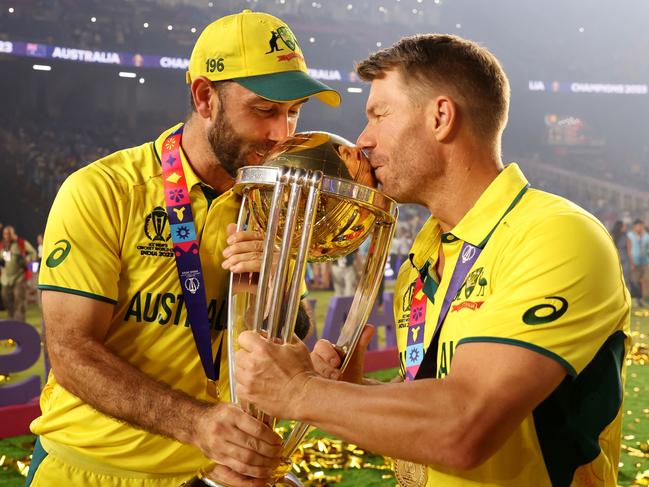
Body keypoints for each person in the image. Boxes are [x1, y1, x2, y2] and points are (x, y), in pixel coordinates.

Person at [232, 34, 630, 487]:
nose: (362, 140)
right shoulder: (421, 260)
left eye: (379, 115)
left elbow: (465, 427)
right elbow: (433, 410)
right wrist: (351, 394)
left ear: (440, 117)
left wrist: (301, 392)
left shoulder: (555, 235)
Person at [27, 10, 339, 487]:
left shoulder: (274, 205)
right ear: (204, 97)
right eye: (264, 109)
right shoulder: (103, 190)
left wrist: (278, 288)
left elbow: (284, 337)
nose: (282, 133)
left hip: (210, 474)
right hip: (91, 468)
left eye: (293, 111)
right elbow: (71, 352)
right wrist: (196, 423)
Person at [1, 225, 37, 321]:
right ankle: (11, 323)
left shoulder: (21, 243)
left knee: (19, 301)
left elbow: (33, 253)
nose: (7, 236)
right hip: (6, 279)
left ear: (13, 234)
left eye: (9, 234)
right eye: (5, 234)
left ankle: (20, 326)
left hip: (19, 278)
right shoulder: (2, 245)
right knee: (7, 300)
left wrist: (27, 259)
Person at [626, 218, 649, 307]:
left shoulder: (646, 236)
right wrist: (631, 262)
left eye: (641, 226)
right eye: (638, 226)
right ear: (634, 227)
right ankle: (637, 299)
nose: (639, 228)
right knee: (635, 281)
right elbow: (629, 249)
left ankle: (645, 298)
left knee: (646, 279)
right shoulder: (630, 235)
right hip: (634, 262)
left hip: (645, 262)